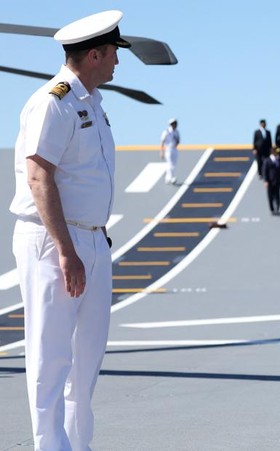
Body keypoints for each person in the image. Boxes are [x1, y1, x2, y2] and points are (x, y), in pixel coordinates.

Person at [9, 10, 131, 451]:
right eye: (115, 53)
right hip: (54, 241)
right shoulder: (52, 101)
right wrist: (65, 250)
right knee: (50, 356)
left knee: (86, 361)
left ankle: (78, 446)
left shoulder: (91, 103)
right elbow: (38, 176)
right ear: (95, 54)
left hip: (93, 238)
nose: (118, 61)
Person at [263, 145, 280, 215]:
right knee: (270, 196)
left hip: (277, 181)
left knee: (277, 195)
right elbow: (265, 171)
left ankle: (277, 209)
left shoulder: (279, 160)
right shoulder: (267, 160)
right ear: (272, 152)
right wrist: (265, 180)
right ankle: (272, 209)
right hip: (270, 181)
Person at [160, 118, 180, 184]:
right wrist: (162, 151)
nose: (175, 125)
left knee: (173, 164)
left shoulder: (176, 132)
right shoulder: (166, 132)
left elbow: (178, 140)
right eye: (173, 123)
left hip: (174, 149)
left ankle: (167, 178)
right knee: (170, 163)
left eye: (175, 123)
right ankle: (171, 178)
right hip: (168, 149)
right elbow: (162, 141)